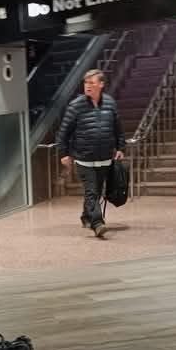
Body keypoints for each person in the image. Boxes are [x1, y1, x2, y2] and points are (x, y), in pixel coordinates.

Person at [58, 69, 126, 238]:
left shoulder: (110, 103)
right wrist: (64, 153)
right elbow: (63, 132)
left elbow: (118, 128)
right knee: (91, 191)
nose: (88, 86)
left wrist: (120, 148)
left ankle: (86, 216)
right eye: (86, 83)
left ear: (101, 84)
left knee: (95, 191)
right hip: (83, 158)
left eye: (92, 83)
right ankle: (97, 223)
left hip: (104, 158)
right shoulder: (76, 106)